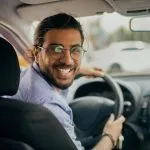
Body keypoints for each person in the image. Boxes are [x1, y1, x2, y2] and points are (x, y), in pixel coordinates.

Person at [11, 13, 125, 150]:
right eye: (56, 49)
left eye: (75, 50)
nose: (68, 60)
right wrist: (110, 137)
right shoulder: (51, 108)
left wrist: (77, 70)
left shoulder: (21, 78)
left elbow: (59, 65)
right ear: (36, 53)